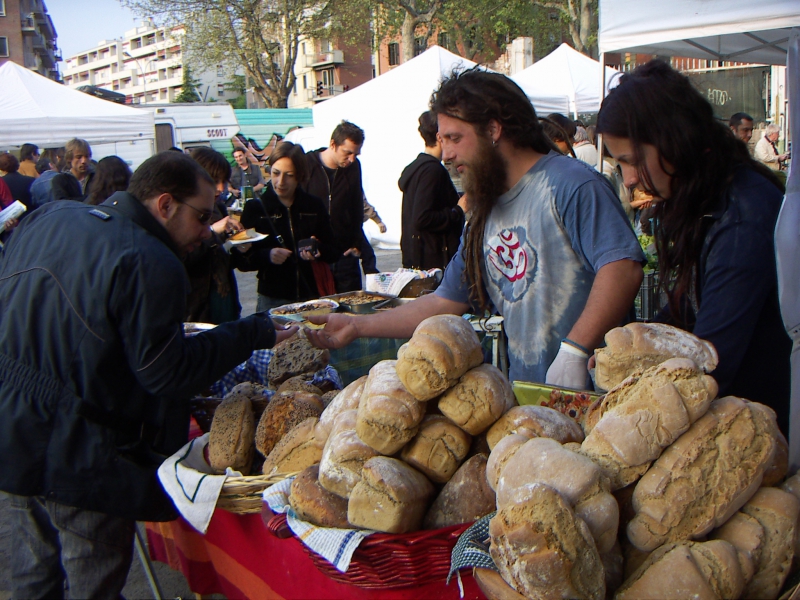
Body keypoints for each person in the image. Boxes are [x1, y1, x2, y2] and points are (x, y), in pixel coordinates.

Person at [0, 151, 296, 598]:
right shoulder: (151, 259)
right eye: (201, 217)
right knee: (89, 588)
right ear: (164, 205)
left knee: (30, 582)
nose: (205, 231)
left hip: (12, 437)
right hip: (82, 459)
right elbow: (168, 373)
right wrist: (251, 332)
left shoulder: (50, 216)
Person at [307, 68, 644, 389]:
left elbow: (622, 268)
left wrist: (576, 349)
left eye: (454, 138)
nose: (447, 155)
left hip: (602, 398)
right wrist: (356, 324)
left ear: (493, 130)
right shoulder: (484, 212)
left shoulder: (572, 185)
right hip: (531, 403)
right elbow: (444, 302)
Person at [597, 60, 790, 434]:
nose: (631, 179)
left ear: (675, 141)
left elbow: (713, 360)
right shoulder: (707, 197)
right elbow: (691, 306)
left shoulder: (743, 215)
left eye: (632, 162)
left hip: (757, 425)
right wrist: (634, 349)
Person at [240, 141, 340, 311]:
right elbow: (241, 260)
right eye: (276, 173)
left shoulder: (313, 206)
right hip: (272, 298)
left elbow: (334, 251)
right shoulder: (255, 208)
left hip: (310, 296)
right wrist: (267, 255)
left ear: (300, 176)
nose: (280, 181)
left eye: (289, 175)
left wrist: (317, 250)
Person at [184, 147, 247, 323]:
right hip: (198, 310)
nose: (220, 188)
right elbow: (184, 259)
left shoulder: (218, 208)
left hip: (225, 300)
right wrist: (213, 232)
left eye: (224, 181)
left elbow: (225, 258)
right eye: (214, 180)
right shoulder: (184, 215)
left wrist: (239, 246)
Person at [304, 121, 367, 293]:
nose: (352, 159)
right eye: (347, 153)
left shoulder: (354, 167)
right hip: (316, 254)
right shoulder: (308, 164)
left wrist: (356, 244)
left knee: (349, 313)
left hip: (344, 255)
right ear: (333, 144)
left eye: (356, 154)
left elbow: (356, 207)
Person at [399, 110, 466, 270]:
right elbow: (422, 217)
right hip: (432, 263)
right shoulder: (432, 171)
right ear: (439, 136)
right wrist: (458, 210)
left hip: (420, 259)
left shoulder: (419, 168)